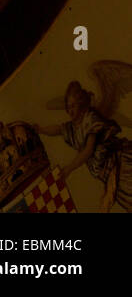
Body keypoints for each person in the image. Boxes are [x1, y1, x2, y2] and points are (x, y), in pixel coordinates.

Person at [36, 81, 132, 213]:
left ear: (81, 104)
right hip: (107, 173)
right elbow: (58, 130)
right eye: (68, 107)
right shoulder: (72, 127)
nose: (70, 110)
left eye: (73, 106)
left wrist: (69, 169)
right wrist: (41, 130)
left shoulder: (90, 119)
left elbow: (88, 150)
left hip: (120, 164)